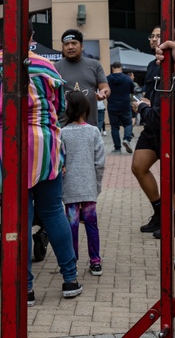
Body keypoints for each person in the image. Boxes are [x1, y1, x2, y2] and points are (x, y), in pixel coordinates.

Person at [0, 23, 83, 306]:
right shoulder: (46, 66)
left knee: (19, 218)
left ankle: (25, 289)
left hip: (4, 149)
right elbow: (56, 105)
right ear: (31, 38)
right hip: (44, 145)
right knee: (54, 212)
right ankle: (70, 280)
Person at [131, 28, 175, 241]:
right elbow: (149, 94)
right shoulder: (151, 65)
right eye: (153, 35)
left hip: (173, 128)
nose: (155, 40)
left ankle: (174, 221)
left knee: (172, 176)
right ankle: (159, 213)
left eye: (160, 36)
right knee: (138, 166)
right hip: (153, 124)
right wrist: (144, 104)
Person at [60, 90, 105, 275]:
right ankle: (95, 260)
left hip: (69, 186)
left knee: (72, 224)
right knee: (91, 224)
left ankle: (72, 261)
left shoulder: (62, 133)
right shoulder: (93, 131)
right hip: (88, 186)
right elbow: (100, 162)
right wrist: (97, 185)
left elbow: (59, 161)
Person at [54, 29, 108, 127]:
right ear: (63, 48)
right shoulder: (55, 67)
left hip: (90, 125)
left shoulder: (95, 65)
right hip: (63, 126)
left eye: (74, 43)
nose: (70, 47)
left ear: (82, 46)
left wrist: (103, 92)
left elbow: (105, 88)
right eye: (66, 44)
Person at [105, 61, 134, 153]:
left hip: (112, 106)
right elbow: (133, 90)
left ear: (112, 68)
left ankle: (117, 148)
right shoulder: (127, 78)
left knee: (114, 127)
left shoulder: (107, 79)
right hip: (125, 105)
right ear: (121, 68)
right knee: (128, 124)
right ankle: (127, 139)